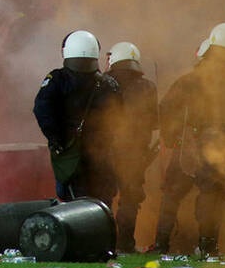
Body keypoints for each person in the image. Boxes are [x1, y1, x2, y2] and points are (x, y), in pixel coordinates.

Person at [151, 22, 225, 258]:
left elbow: (166, 108)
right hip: (220, 146)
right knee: (213, 194)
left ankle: (160, 244)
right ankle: (209, 247)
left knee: (172, 194)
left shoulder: (191, 78)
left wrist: (173, 137)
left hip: (189, 144)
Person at [33, 30, 121, 205]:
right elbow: (120, 118)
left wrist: (57, 140)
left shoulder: (57, 79)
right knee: (102, 208)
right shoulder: (109, 84)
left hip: (71, 157)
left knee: (73, 209)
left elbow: (42, 109)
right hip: (103, 156)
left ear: (66, 51)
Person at [105, 41, 159, 253]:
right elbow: (155, 122)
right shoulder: (148, 86)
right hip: (135, 153)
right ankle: (125, 244)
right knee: (130, 198)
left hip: (106, 151)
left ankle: (103, 242)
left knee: (103, 198)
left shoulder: (103, 83)